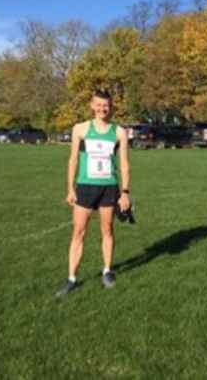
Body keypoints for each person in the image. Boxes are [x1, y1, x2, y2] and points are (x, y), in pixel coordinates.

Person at [57, 89, 131, 297]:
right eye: (98, 105)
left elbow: (124, 164)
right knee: (78, 232)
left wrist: (125, 192)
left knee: (107, 229)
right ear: (92, 105)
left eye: (105, 105)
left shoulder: (119, 132)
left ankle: (107, 271)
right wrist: (70, 188)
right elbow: (73, 160)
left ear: (111, 106)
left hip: (109, 187)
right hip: (85, 187)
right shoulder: (80, 129)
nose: (102, 109)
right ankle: (72, 278)